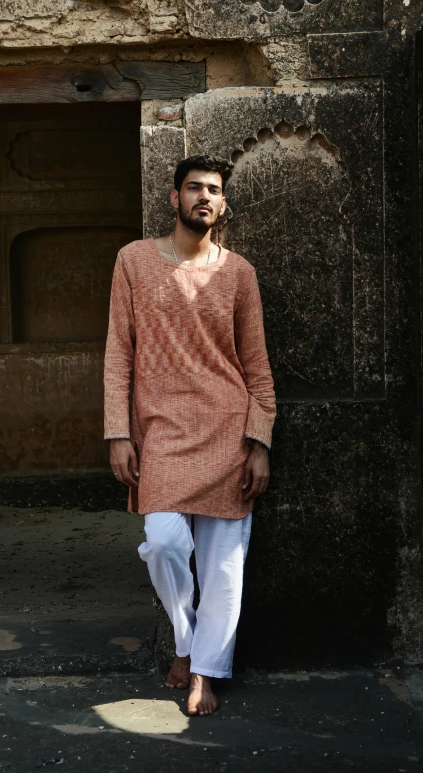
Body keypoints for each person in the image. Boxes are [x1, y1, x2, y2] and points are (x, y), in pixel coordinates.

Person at [103, 154, 276, 717]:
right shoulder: (132, 262)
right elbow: (118, 353)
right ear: (173, 198)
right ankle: (185, 640)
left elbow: (257, 367)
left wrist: (260, 441)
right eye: (195, 188)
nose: (205, 197)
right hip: (162, 434)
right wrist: (118, 433)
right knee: (166, 543)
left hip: (228, 432)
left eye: (215, 190)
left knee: (225, 563)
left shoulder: (238, 273)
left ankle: (203, 668)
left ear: (223, 205)